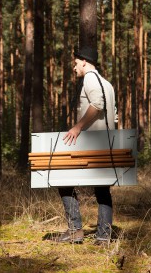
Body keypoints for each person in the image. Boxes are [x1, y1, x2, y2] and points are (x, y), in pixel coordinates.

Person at [57, 46, 116, 245]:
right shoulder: (107, 83)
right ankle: (103, 236)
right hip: (104, 144)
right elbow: (113, 114)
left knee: (62, 180)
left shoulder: (90, 78)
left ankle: (75, 230)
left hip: (91, 145)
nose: (74, 68)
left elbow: (97, 104)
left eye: (75, 63)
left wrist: (77, 127)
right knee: (102, 190)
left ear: (83, 61)